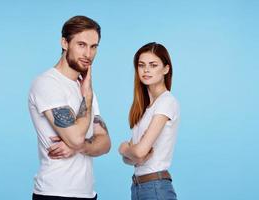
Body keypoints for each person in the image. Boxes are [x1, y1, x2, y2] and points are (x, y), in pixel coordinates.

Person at [28, 15, 111, 200]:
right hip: (54, 193)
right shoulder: (47, 83)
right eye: (81, 45)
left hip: (88, 193)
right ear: (64, 43)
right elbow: (75, 138)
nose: (88, 54)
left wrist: (78, 146)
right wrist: (87, 98)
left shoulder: (84, 87)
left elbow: (105, 143)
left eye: (94, 46)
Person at [119, 42, 180, 200]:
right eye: (141, 65)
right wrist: (132, 154)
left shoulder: (166, 102)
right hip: (139, 187)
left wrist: (123, 148)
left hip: (156, 188)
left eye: (153, 65)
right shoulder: (145, 109)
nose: (146, 70)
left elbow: (138, 152)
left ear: (166, 69)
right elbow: (131, 160)